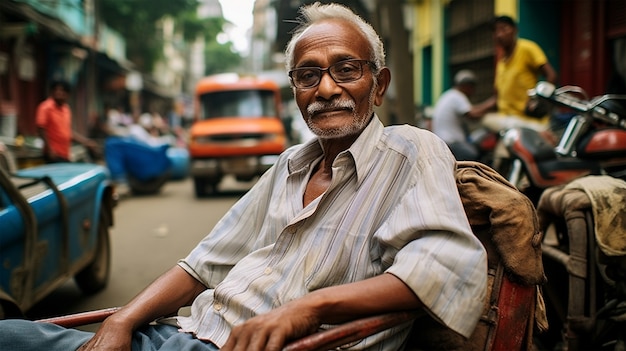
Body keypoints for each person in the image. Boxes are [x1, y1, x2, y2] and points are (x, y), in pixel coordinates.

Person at [0, 3, 487, 350]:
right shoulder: (289, 164)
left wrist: (306, 309)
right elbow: (202, 265)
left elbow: (440, 266)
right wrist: (122, 321)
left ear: (377, 85)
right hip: (185, 332)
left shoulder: (411, 150)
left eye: (347, 69)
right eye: (307, 75)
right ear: (295, 90)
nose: (327, 89)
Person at [482, 15, 558, 133]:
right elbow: (498, 97)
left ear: (515, 30)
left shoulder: (527, 49)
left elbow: (551, 75)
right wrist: (477, 109)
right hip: (506, 120)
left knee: (486, 120)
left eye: (504, 29)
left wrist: (538, 100)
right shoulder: (501, 62)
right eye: (495, 31)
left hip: (526, 121)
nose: (499, 34)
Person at [431, 69, 493, 161]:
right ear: (466, 86)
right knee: (473, 156)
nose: (473, 91)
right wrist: (490, 104)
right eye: (472, 88)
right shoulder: (458, 96)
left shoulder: (449, 95)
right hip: (451, 142)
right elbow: (472, 114)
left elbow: (472, 109)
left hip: (441, 140)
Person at [36, 80, 98, 163]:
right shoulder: (45, 107)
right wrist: (49, 149)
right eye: (56, 90)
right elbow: (41, 128)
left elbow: (68, 132)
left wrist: (86, 142)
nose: (59, 93)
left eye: (62, 90)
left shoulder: (66, 109)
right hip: (52, 154)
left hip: (65, 153)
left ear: (68, 94)